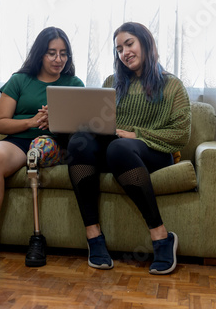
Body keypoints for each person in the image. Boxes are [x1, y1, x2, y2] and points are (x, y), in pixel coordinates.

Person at [67, 22, 191, 275]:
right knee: (80, 142)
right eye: (119, 49)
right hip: (116, 151)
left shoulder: (172, 85)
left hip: (153, 152)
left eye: (129, 44)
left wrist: (138, 134)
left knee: (119, 148)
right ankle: (94, 238)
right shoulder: (112, 82)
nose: (124, 52)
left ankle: (161, 238)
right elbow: (101, 122)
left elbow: (180, 135)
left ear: (145, 43)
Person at [0, 27, 84, 266]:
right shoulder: (19, 80)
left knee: (39, 148)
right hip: (18, 141)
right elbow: (0, 124)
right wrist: (33, 121)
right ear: (40, 54)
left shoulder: (74, 83)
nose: (59, 59)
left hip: (55, 141)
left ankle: (37, 239)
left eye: (64, 54)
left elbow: (82, 126)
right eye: (52, 53)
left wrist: (55, 121)